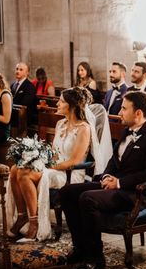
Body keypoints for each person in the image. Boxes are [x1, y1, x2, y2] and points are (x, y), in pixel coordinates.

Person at [60, 91, 146, 269]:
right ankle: (80, 248)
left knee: (87, 198)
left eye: (124, 108)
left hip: (135, 193)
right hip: (116, 185)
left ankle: (95, 258)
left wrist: (119, 183)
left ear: (138, 113)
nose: (120, 112)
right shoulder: (127, 131)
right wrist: (106, 176)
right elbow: (114, 161)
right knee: (68, 192)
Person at [6, 88, 92, 241]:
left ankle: (34, 223)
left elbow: (74, 161)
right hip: (54, 167)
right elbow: (52, 153)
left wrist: (48, 167)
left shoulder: (84, 128)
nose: (57, 103)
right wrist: (36, 157)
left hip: (70, 173)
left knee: (25, 174)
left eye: (61, 101)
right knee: (15, 168)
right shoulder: (60, 123)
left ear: (72, 106)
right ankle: (22, 216)